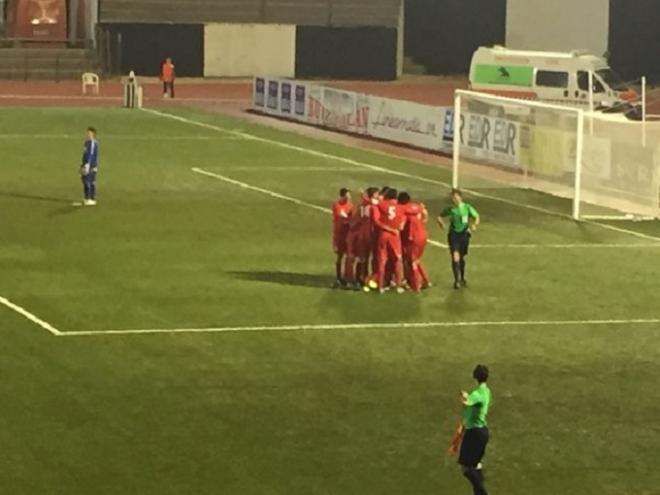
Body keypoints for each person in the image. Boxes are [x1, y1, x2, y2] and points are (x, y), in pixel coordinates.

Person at [458, 365, 492, 495]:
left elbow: (467, 402)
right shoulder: (487, 392)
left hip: (474, 433)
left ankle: (482, 493)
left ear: (475, 376)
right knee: (476, 464)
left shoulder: (477, 394)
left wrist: (462, 397)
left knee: (466, 468)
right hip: (483, 431)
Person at [437, 189, 480, 289]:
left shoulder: (467, 207)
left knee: (462, 257)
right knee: (455, 257)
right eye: (453, 198)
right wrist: (441, 224)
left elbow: (476, 216)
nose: (454, 199)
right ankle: (456, 281)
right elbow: (439, 216)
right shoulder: (451, 209)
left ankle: (462, 278)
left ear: (460, 197)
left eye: (456, 197)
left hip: (464, 235)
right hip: (453, 235)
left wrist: (474, 225)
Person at [372, 188, 405, 294]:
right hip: (395, 235)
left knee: (382, 261)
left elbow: (376, 220)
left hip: (384, 234)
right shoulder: (400, 207)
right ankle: (398, 285)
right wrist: (400, 225)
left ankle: (381, 286)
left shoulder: (381, 204)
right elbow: (404, 217)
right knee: (397, 260)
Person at [345, 187, 378, 290]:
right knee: (376, 258)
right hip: (371, 235)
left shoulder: (362, 205)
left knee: (363, 258)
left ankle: (361, 279)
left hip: (361, 235)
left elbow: (356, 220)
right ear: (374, 195)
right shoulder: (373, 204)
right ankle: (373, 279)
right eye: (377, 194)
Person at [398, 192, 431, 292]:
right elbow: (425, 212)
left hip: (413, 238)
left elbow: (401, 226)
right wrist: (424, 221)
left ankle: (416, 286)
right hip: (423, 235)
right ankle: (426, 281)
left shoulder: (404, 211)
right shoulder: (416, 207)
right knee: (416, 259)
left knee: (412, 261)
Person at [331, 188, 353, 288]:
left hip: (348, 234)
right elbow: (341, 217)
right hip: (339, 234)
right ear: (342, 196)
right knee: (340, 256)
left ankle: (347, 277)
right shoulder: (337, 205)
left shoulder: (351, 205)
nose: (349, 198)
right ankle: (338, 277)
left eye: (349, 196)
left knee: (349, 256)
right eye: (347, 196)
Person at [79, 126, 99, 206]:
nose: (88, 134)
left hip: (91, 166)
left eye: (90, 133)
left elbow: (91, 154)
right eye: (88, 133)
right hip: (85, 165)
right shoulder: (86, 143)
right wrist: (82, 164)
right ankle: (87, 198)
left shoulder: (93, 143)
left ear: (93, 134)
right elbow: (85, 154)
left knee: (90, 181)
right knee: (84, 180)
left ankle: (91, 198)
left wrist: (88, 164)